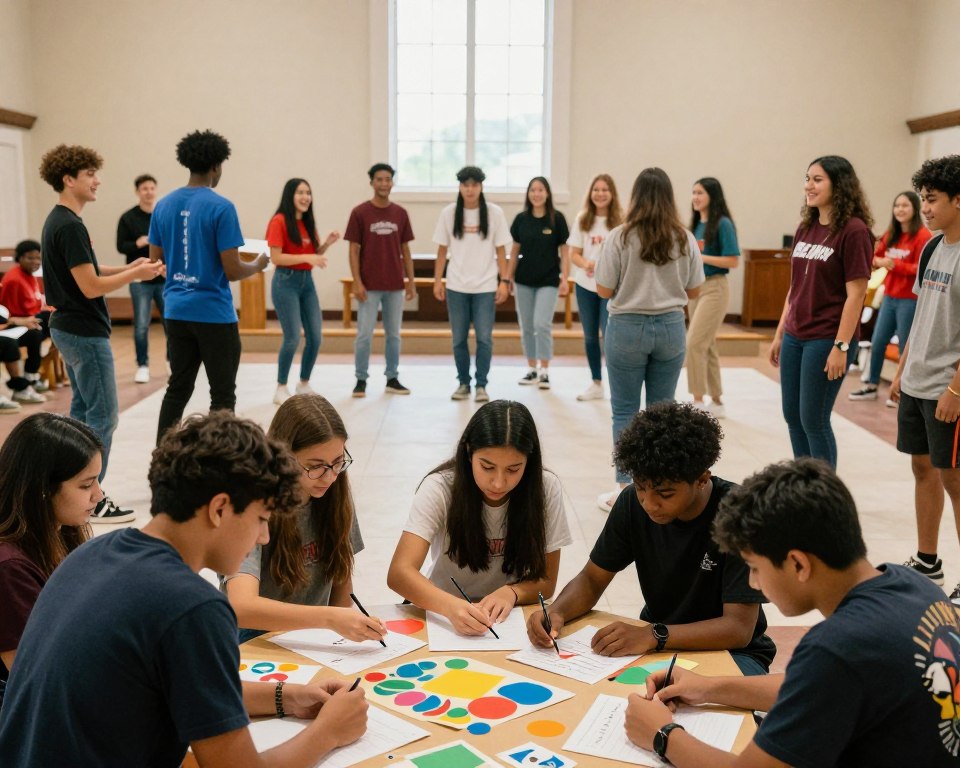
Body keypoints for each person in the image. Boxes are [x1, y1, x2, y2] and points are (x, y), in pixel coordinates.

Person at [0, 411, 369, 767]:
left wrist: (286, 696)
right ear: (220, 509)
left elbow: (188, 690)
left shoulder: (94, 552)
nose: (264, 535)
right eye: (261, 518)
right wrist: (329, 732)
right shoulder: (193, 607)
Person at [624, 458, 959, 768]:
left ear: (798, 564)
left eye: (755, 567)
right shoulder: (912, 584)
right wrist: (708, 688)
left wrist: (662, 735)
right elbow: (814, 686)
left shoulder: (837, 647)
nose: (753, 582)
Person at [528, 403, 774, 675]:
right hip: (659, 642)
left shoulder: (739, 514)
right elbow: (592, 579)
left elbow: (737, 629)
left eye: (665, 494)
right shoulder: (632, 502)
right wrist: (558, 612)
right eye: (641, 487)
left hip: (733, 653)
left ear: (702, 479)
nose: (649, 503)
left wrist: (653, 635)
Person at [39, 143, 163, 522]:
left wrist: (130, 264)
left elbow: (89, 269)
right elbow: (90, 286)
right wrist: (135, 275)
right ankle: (91, 498)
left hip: (69, 328)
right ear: (69, 179)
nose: (97, 181)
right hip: (83, 332)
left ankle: (62, 492)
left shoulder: (61, 220)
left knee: (80, 415)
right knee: (104, 416)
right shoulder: (69, 224)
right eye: (90, 174)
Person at [388, 400, 572, 635]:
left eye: (513, 469)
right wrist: (450, 606)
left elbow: (546, 582)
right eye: (487, 467)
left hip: (508, 617)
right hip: (441, 610)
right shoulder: (440, 487)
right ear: (468, 453)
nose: (498, 482)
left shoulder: (545, 488)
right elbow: (399, 573)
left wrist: (512, 592)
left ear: (529, 461)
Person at [221, 394, 386, 644]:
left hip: (314, 639)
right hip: (253, 640)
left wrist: (347, 626)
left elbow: (342, 583)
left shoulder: (335, 491)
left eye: (338, 462)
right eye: (315, 465)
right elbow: (241, 606)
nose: (329, 477)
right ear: (283, 457)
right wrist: (330, 619)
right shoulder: (251, 500)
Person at [594, 168, 704, 512]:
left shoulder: (620, 237)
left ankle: (627, 487)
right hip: (671, 326)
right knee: (662, 410)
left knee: (624, 410)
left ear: (635, 196)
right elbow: (696, 288)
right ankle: (661, 485)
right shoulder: (683, 237)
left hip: (627, 325)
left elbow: (603, 288)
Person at [149, 130, 268, 442]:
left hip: (175, 310)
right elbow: (231, 269)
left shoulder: (163, 205)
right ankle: (220, 462)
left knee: (178, 388)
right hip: (214, 314)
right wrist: (257, 264)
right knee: (223, 396)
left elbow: (156, 260)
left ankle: (162, 460)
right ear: (216, 165)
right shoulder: (222, 207)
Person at [769, 155, 873, 469]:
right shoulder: (807, 227)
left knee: (813, 419)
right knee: (793, 416)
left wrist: (841, 347)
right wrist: (780, 333)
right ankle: (804, 484)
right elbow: (794, 287)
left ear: (838, 185)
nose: (808, 186)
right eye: (807, 178)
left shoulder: (854, 231)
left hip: (826, 337)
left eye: (817, 180)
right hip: (796, 335)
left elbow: (857, 293)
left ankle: (824, 494)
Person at [891, 154, 960, 604]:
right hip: (917, 381)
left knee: (956, 482)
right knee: (921, 469)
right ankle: (927, 558)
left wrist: (955, 388)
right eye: (923, 200)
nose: (925, 209)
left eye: (932, 200)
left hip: (947, 388)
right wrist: (901, 370)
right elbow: (920, 315)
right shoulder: (933, 247)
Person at [0, 414, 100, 708]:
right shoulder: (9, 569)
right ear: (42, 488)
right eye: (86, 486)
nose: (99, 495)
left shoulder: (59, 530)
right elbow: (36, 679)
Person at [432, 166, 512, 402]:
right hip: (456, 286)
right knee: (458, 339)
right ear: (459, 187)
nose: (470, 189)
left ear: (481, 187)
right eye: (465, 185)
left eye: (474, 185)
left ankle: (482, 384)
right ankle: (463, 383)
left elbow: (501, 250)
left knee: (484, 338)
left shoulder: (494, 213)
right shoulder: (449, 213)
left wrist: (504, 281)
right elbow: (441, 250)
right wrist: (438, 280)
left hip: (485, 287)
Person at [850, 190, 931, 406]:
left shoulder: (923, 236)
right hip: (889, 297)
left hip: (909, 299)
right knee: (877, 343)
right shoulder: (891, 234)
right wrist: (880, 262)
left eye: (905, 205)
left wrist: (895, 265)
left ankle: (902, 391)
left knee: (906, 347)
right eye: (897, 206)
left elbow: (921, 268)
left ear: (915, 209)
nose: (900, 210)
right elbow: (873, 255)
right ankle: (871, 385)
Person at [344, 163, 415, 398]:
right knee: (364, 334)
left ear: (392, 182)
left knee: (393, 334)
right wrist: (357, 281)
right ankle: (360, 379)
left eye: (388, 179)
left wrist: (410, 281)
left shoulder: (400, 214)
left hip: (394, 285)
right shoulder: (360, 213)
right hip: (369, 286)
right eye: (379, 179)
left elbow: (405, 250)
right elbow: (353, 250)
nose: (384, 183)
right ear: (372, 183)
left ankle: (392, 378)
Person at [266, 178, 339, 405]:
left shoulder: (307, 222)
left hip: (307, 283)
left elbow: (313, 252)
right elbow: (276, 257)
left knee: (316, 337)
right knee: (292, 337)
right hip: (285, 281)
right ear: (290, 195)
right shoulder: (278, 221)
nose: (305, 196)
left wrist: (326, 244)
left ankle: (303, 383)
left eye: (308, 192)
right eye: (300, 192)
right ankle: (280, 387)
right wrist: (307, 257)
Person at [506, 177, 570, 390]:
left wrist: (565, 278)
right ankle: (531, 368)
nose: (536, 194)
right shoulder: (521, 219)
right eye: (533, 190)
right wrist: (507, 278)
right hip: (523, 280)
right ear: (528, 194)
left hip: (548, 281)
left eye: (540, 190)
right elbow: (514, 252)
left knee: (541, 324)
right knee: (526, 326)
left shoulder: (557, 219)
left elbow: (565, 251)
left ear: (547, 193)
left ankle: (544, 370)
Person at [686, 177, 740, 418]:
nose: (695, 197)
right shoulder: (696, 225)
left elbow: (733, 260)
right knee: (707, 344)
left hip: (714, 288)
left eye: (701, 193)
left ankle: (697, 400)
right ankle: (716, 401)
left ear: (712, 196)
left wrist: (701, 258)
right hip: (695, 289)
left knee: (694, 343)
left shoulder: (723, 224)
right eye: (694, 192)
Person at [567, 173, 623, 402]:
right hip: (585, 285)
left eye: (605, 190)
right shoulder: (583, 219)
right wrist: (588, 264)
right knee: (590, 336)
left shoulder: (620, 221)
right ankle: (596, 382)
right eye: (596, 190)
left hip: (610, 288)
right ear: (591, 194)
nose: (600, 194)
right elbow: (574, 254)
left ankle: (617, 383)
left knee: (609, 335)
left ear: (612, 194)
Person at [117, 173, 166, 384]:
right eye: (144, 188)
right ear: (138, 192)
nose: (149, 192)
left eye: (152, 188)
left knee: (171, 323)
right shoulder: (128, 217)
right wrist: (137, 243)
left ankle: (172, 362)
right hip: (140, 280)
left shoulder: (163, 214)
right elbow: (121, 246)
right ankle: (143, 365)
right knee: (141, 325)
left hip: (163, 276)